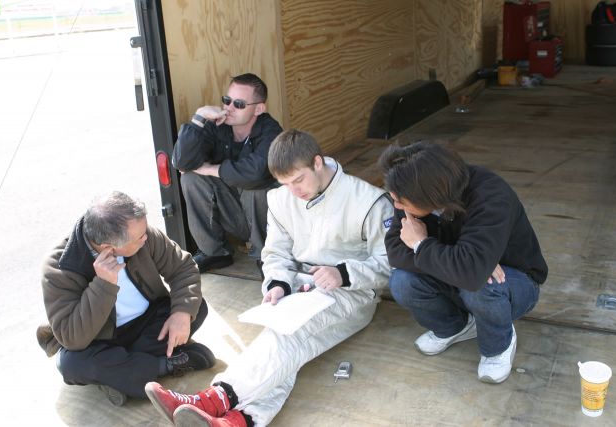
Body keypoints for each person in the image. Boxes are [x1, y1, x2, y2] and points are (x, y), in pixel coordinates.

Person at [145, 129, 394, 426]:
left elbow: (389, 265)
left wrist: (343, 273)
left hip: (352, 293)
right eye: (285, 183)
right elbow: (275, 252)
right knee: (288, 349)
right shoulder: (280, 199)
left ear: (317, 162)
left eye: (298, 180)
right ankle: (239, 421)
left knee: (287, 337)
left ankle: (212, 399)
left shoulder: (369, 201)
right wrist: (277, 283)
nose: (294, 191)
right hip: (299, 290)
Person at [379, 141, 548, 384]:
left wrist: (422, 245)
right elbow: (395, 251)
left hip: (515, 282)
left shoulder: (491, 196)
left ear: (430, 195)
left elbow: (471, 274)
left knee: (482, 285)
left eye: (400, 201)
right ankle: (455, 327)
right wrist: (461, 262)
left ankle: (498, 345)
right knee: (402, 281)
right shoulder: (408, 193)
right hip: (462, 275)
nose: (396, 206)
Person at [36, 191, 215, 406]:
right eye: (139, 238)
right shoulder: (58, 266)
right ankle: (166, 365)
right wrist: (103, 284)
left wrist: (181, 313)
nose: (146, 238)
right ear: (108, 247)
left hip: (148, 323)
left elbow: (182, 268)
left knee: (195, 306)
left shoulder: (142, 234)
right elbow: (73, 338)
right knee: (71, 365)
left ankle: (119, 376)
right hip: (99, 340)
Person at [172, 73, 283, 273]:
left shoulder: (271, 131)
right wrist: (198, 118)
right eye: (227, 100)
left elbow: (257, 173)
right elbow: (181, 162)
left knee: (257, 186)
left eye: (239, 104)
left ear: (258, 109)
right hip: (234, 213)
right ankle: (215, 252)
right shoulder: (217, 125)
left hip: (265, 219)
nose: (229, 108)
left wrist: (210, 169)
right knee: (191, 179)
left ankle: (265, 255)